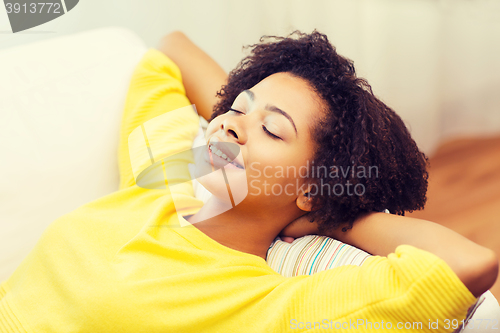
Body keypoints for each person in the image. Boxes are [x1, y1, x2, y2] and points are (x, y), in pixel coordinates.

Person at [0, 30, 497, 333]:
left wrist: (336, 213)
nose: (232, 123)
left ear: (311, 188)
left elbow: (467, 264)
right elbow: (168, 51)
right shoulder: (165, 174)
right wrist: (244, 118)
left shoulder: (264, 308)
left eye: (273, 129)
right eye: (236, 108)